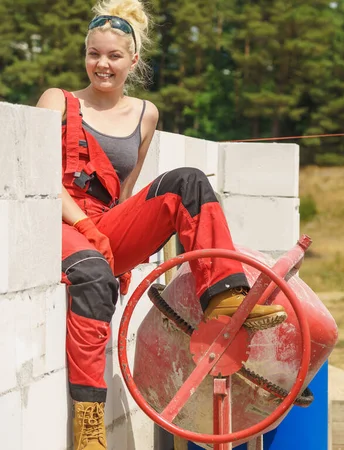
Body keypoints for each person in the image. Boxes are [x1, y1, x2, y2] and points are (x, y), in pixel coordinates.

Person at [36, 0, 287, 448]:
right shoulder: (59, 100)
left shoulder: (146, 114)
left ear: (133, 60)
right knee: (93, 273)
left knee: (187, 182)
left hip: (101, 224)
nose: (102, 64)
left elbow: (125, 195)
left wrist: (123, 241)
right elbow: (36, 181)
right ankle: (89, 428)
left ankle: (226, 298)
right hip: (58, 219)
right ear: (84, 55)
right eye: (94, 54)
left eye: (113, 56)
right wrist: (89, 233)